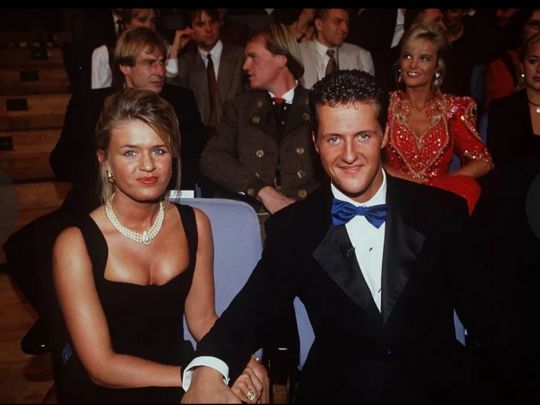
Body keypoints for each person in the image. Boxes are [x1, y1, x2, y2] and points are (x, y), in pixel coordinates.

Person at [180, 69, 506, 403]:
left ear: (385, 135)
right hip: (339, 391)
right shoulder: (294, 228)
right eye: (334, 139)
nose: (349, 155)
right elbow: (249, 312)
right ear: (315, 142)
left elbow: (490, 319)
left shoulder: (442, 212)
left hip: (437, 390)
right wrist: (208, 369)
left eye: (363, 136)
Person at [50, 88, 268, 403]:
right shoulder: (75, 244)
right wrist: (194, 377)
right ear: (105, 161)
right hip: (110, 386)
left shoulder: (196, 224)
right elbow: (101, 366)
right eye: (130, 152)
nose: (148, 165)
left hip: (177, 367)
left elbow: (202, 319)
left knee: (251, 383)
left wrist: (239, 360)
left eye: (159, 150)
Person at [3, 26, 204, 359]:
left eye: (161, 62)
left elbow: (194, 157)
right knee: (25, 245)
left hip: (162, 196)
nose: (159, 71)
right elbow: (60, 160)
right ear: (125, 67)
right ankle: (63, 319)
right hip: (93, 198)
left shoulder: (180, 100)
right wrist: (108, 170)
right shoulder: (90, 103)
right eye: (150, 63)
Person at [200, 22, 324, 216]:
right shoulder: (239, 108)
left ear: (281, 59)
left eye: (253, 57)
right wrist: (261, 190)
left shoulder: (319, 106)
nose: (245, 66)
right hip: (253, 219)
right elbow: (212, 159)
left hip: (309, 218)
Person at [383, 24, 493, 214]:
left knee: (468, 190)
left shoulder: (453, 108)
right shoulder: (384, 105)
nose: (413, 65)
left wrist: (440, 185)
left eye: (424, 58)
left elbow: (483, 161)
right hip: (394, 194)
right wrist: (409, 184)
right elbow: (369, 157)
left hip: (438, 198)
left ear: (437, 67)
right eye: (407, 56)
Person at [172, 9, 246, 131]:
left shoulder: (240, 56)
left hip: (236, 130)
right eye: (200, 24)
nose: (209, 29)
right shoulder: (186, 62)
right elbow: (171, 93)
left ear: (219, 23)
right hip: (198, 134)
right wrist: (175, 50)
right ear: (190, 29)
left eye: (212, 22)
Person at [487, 31, 540, 167]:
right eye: (533, 61)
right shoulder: (502, 110)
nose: (539, 69)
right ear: (522, 66)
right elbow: (497, 165)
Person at [299, 8, 374, 89]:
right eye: (337, 22)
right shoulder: (298, 53)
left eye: (347, 24)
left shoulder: (361, 56)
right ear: (319, 24)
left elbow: (368, 94)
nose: (345, 28)